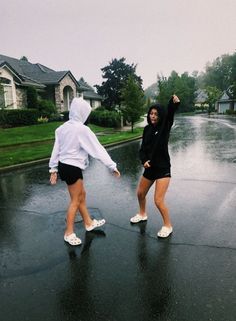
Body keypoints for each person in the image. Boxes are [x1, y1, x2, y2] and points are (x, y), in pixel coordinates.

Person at [49, 97, 120, 246]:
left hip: (65, 166)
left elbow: (56, 150)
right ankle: (69, 233)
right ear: (82, 112)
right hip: (72, 167)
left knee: (82, 195)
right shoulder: (82, 129)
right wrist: (111, 166)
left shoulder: (61, 128)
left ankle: (88, 223)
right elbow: (97, 149)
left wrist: (54, 169)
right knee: (76, 200)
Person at [130, 95, 180, 238]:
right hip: (150, 168)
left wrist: (173, 103)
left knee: (158, 200)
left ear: (160, 116)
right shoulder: (147, 130)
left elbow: (169, 115)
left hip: (163, 168)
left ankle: (167, 225)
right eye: (151, 114)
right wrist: (144, 160)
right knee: (140, 193)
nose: (153, 116)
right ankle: (142, 213)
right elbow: (142, 149)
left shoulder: (164, 127)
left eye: (156, 114)